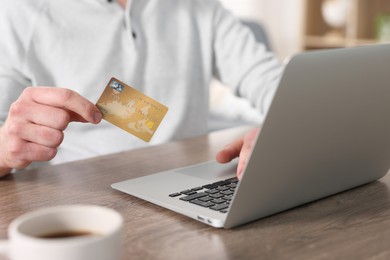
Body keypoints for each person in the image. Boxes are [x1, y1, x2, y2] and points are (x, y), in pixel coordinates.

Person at [0, 0, 283, 178]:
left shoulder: (201, 7)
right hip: (83, 202)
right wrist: (5, 151)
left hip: (190, 186)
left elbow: (271, 81)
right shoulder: (19, 13)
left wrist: (280, 130)